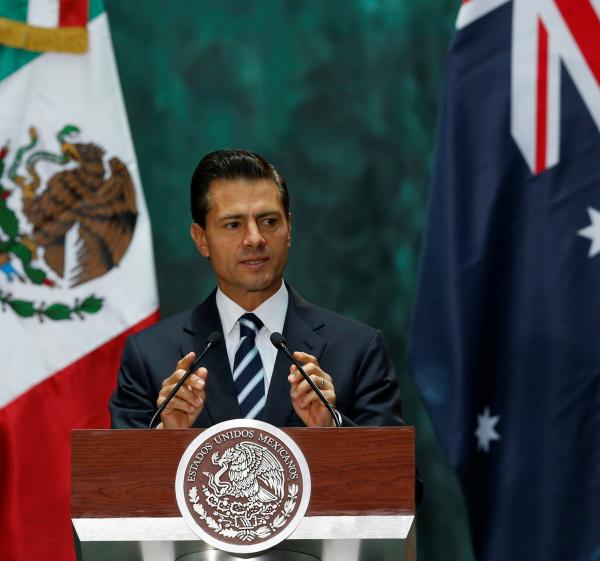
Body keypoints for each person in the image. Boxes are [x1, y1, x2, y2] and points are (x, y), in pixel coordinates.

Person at [109, 149, 403, 429]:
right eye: (233, 225)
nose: (255, 238)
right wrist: (168, 437)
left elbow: (401, 480)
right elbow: (116, 478)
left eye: (269, 221)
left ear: (289, 228)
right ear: (201, 239)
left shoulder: (358, 350)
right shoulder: (150, 356)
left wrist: (332, 428)